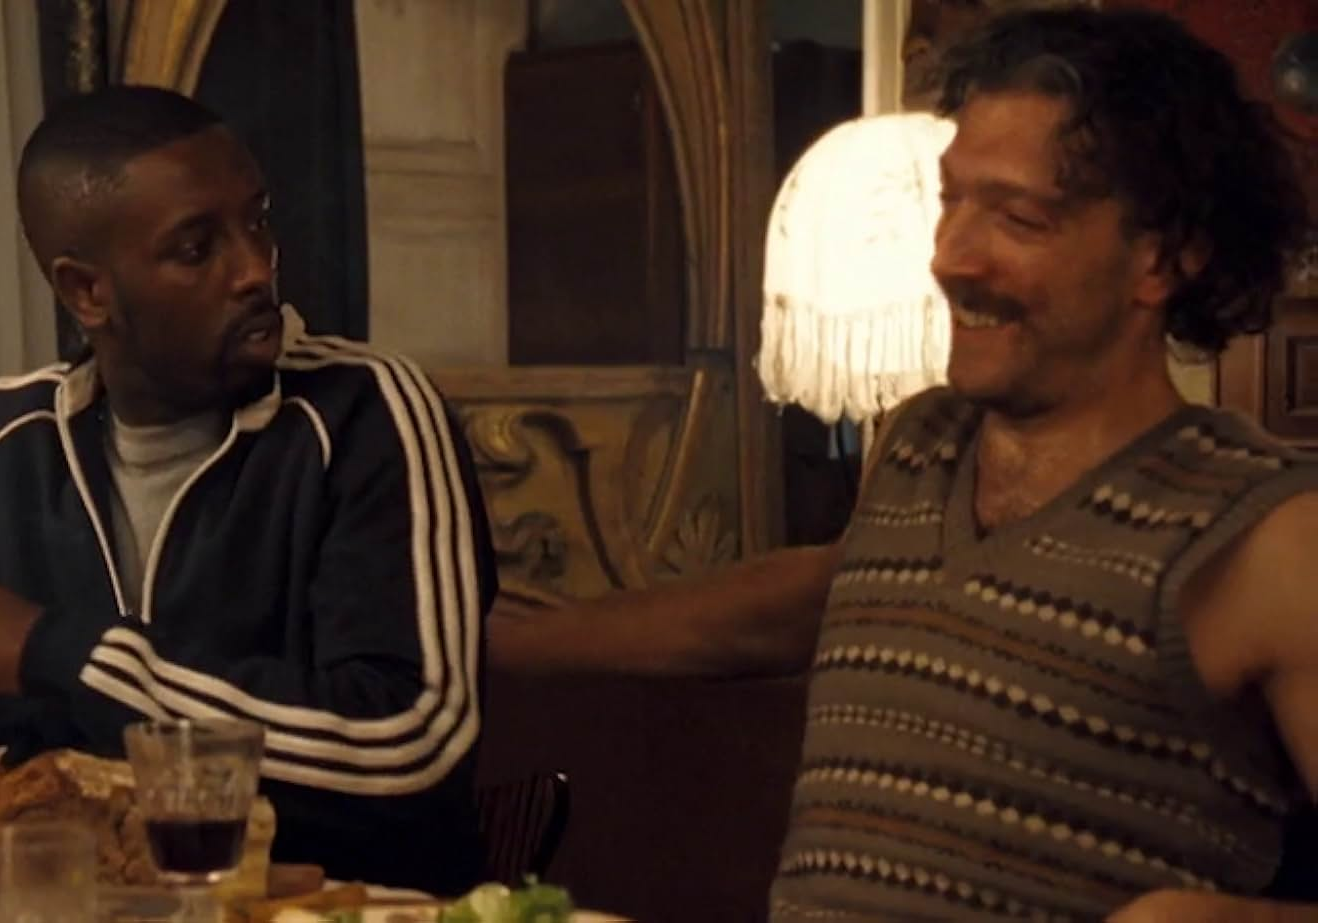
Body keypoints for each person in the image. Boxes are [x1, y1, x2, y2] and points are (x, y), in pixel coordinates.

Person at [494, 8, 1315, 921]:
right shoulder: (920, 444)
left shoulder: (1265, 532)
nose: (950, 257)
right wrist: (479, 647)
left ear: (1163, 256)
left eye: (1018, 218)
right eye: (950, 201)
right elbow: (819, 597)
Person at [0, 85, 495, 895]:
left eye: (258, 222)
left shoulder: (368, 413)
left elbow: (412, 746)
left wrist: (57, 653)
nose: (257, 269)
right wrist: (60, 791)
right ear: (87, 292)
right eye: (199, 249)